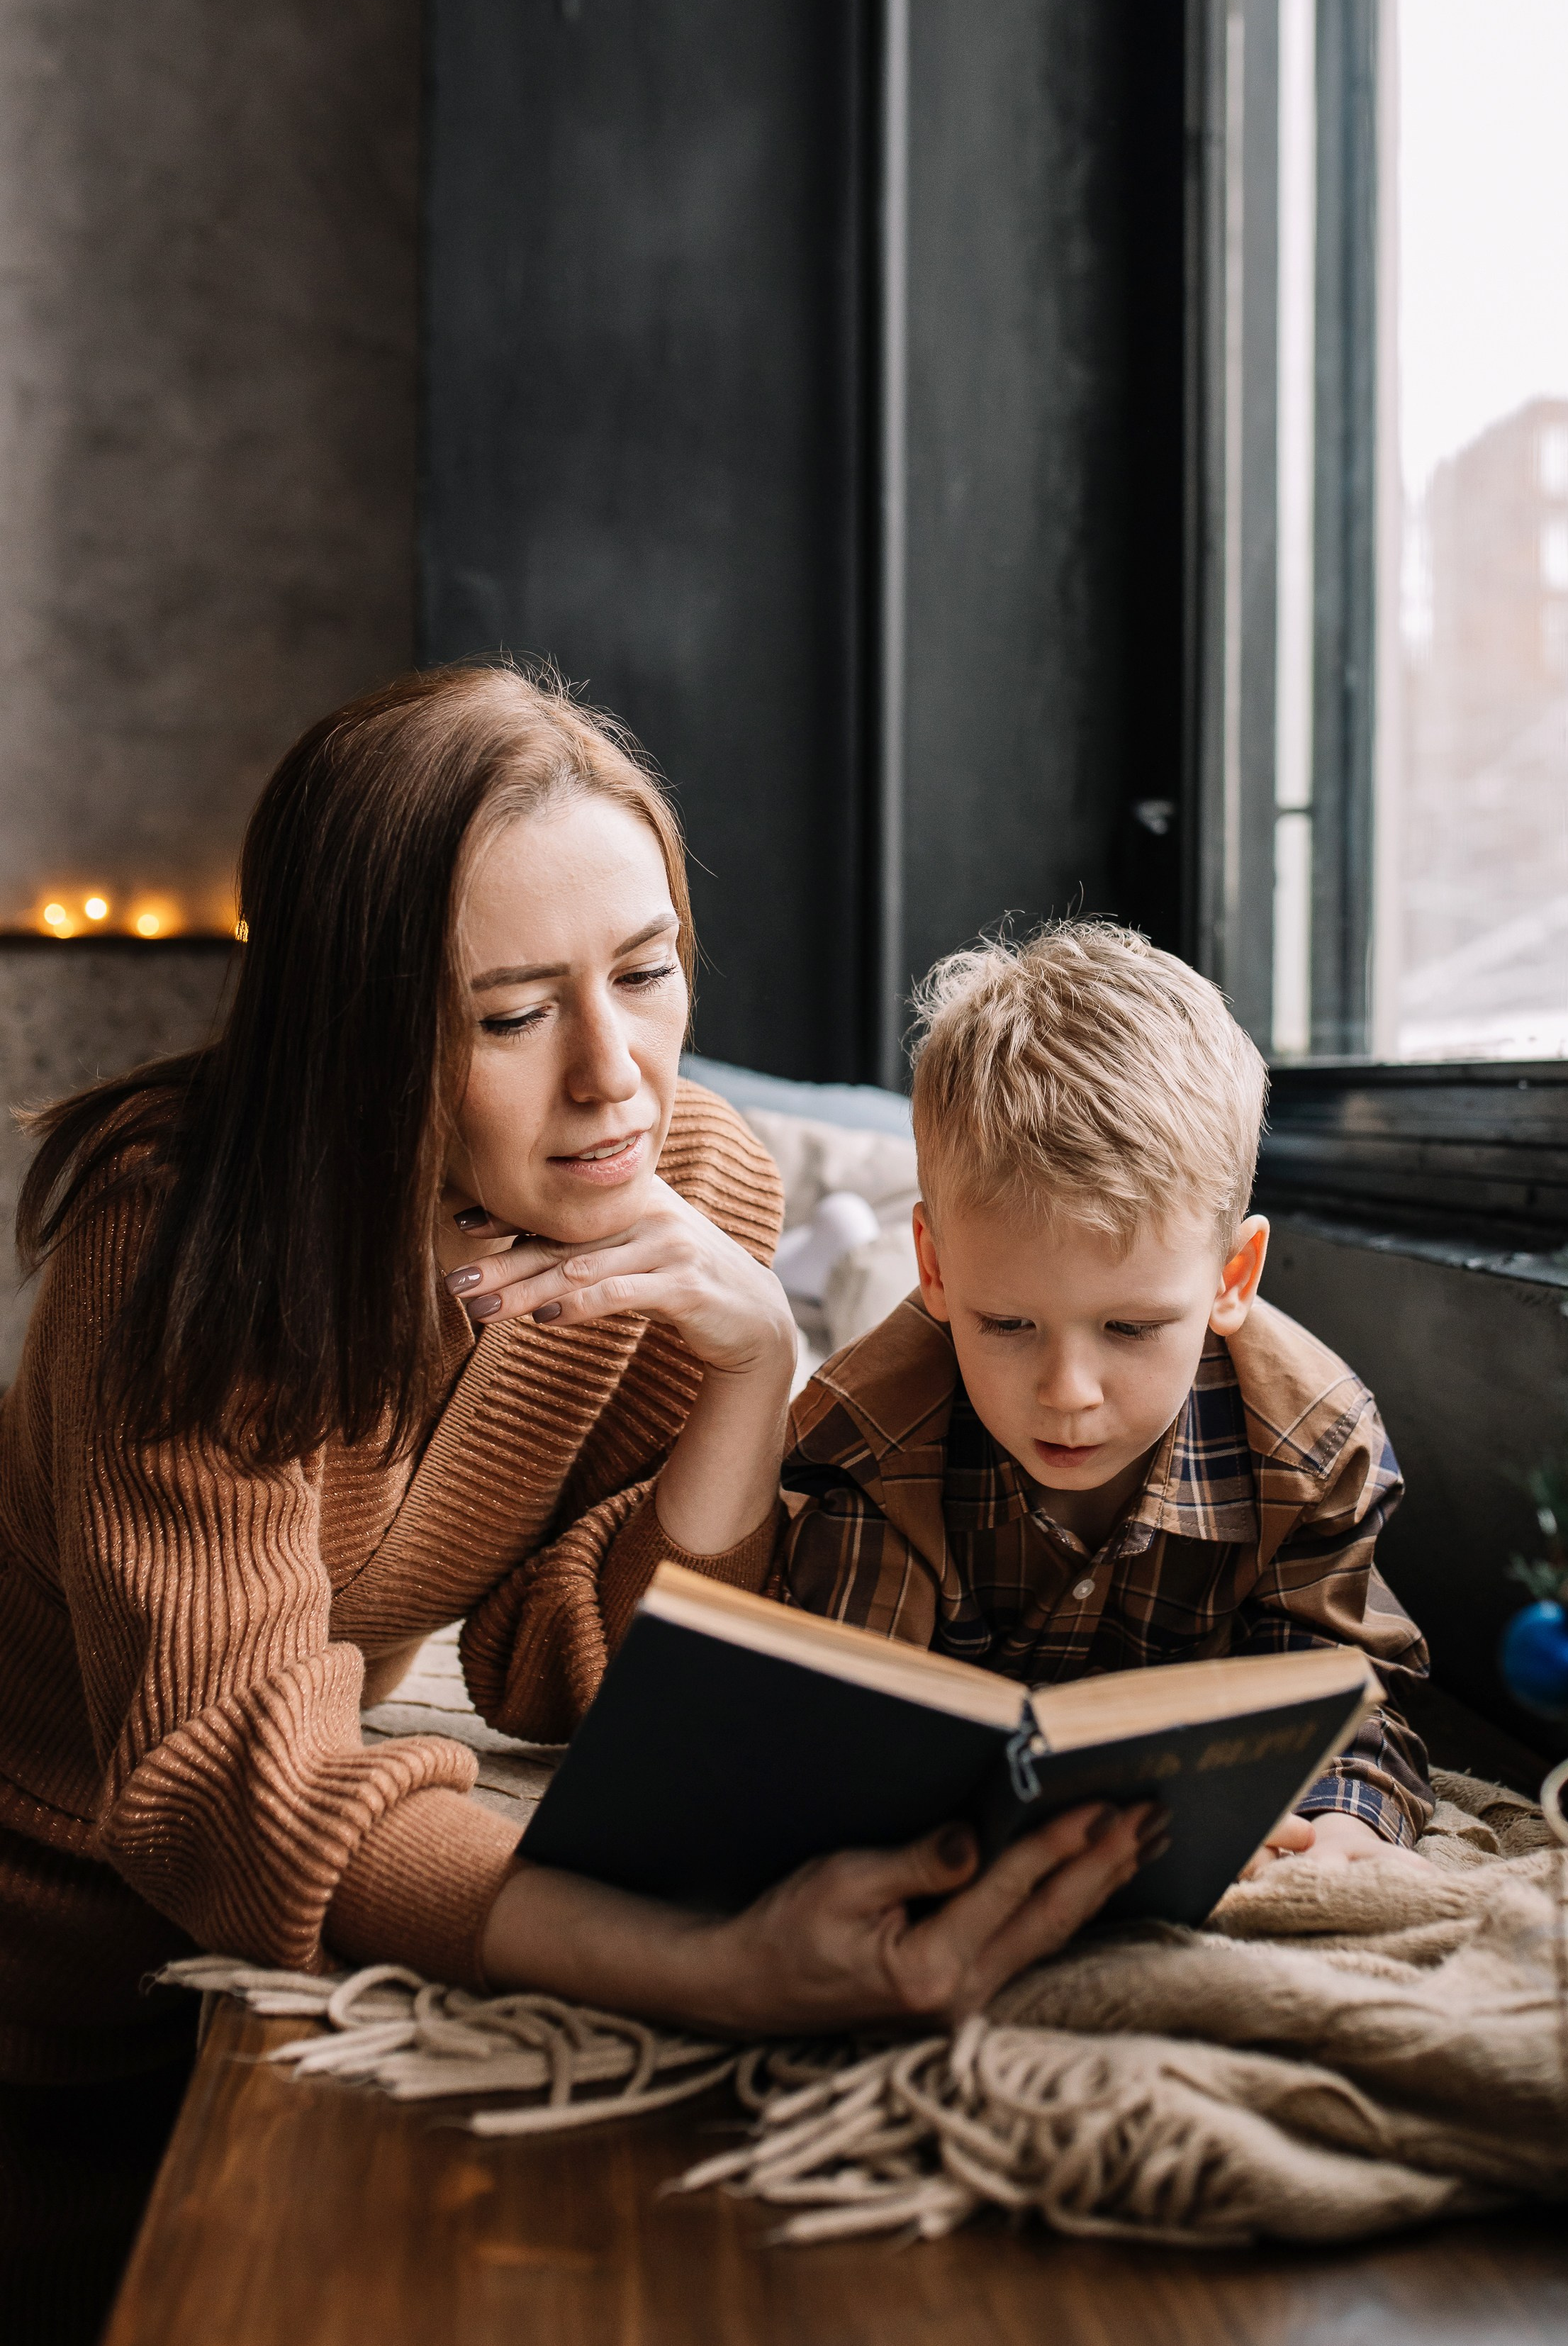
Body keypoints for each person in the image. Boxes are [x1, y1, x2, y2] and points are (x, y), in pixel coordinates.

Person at [0, 669, 1148, 2343]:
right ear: (361, 1026)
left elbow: (570, 1660)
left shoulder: (694, 1179)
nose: (616, 1076)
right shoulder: (181, 1246)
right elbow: (229, 1781)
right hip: (33, 1985)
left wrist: (756, 1368)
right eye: (513, 1012)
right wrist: (714, 1964)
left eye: (648, 970)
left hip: (262, 1973)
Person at [775, 922, 1435, 1865]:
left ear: (1233, 1278)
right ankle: (838, 1254)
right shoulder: (870, 1446)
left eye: (1130, 1329)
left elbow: (1346, 1686)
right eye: (1010, 1326)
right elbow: (844, 1728)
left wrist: (1344, 1818)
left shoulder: (1312, 1449)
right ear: (942, 1268)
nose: (1067, 1392)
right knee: (854, 1285)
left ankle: (870, 1262)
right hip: (911, 1327)